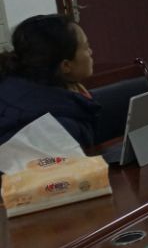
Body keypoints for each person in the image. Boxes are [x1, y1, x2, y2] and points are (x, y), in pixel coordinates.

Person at [0, 14, 99, 150]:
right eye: (86, 47)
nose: (91, 52)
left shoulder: (14, 84)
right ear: (66, 66)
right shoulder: (63, 129)